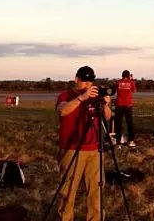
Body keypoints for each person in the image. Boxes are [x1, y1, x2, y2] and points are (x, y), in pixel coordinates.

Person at [55, 66, 112, 221]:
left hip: (94, 149)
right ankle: (65, 218)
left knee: (96, 189)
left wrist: (105, 104)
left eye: (90, 82)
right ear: (76, 80)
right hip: (72, 148)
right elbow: (63, 111)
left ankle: (95, 218)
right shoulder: (66, 96)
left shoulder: (95, 98)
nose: (87, 85)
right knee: (68, 189)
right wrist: (82, 98)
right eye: (84, 81)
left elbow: (107, 117)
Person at [114, 69, 136, 147]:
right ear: (128, 75)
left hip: (119, 105)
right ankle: (131, 141)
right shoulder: (131, 82)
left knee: (118, 124)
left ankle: (118, 142)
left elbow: (115, 89)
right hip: (128, 105)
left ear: (122, 75)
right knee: (130, 123)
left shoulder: (118, 82)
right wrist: (132, 79)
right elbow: (134, 90)